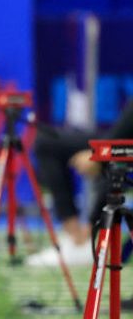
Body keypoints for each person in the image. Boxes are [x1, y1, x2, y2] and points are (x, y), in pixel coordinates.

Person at [28, 98, 133, 268]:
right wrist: (103, 151)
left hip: (125, 152)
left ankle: (90, 239)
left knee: (117, 165)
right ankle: (76, 237)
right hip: (122, 143)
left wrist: (101, 156)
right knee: (46, 143)